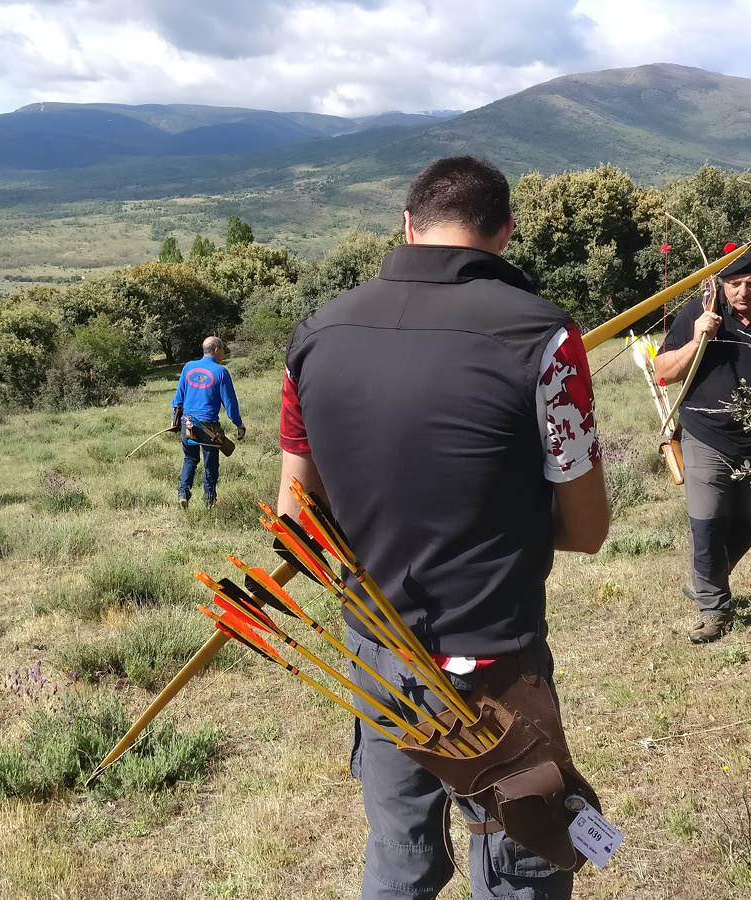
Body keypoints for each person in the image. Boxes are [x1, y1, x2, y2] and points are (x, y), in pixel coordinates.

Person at [277, 156, 609, 900]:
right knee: (522, 858)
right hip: (496, 658)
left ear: (408, 225)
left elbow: (296, 520)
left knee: (399, 857)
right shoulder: (544, 336)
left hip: (375, 648)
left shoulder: (315, 335)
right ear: (506, 232)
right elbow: (586, 528)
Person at [653, 247, 751, 644]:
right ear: (721, 283)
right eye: (734, 283)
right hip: (705, 433)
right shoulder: (700, 311)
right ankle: (713, 611)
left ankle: (707, 577)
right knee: (707, 522)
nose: (743, 292)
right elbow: (663, 373)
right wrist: (697, 339)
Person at [172, 335, 245, 509]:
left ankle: (183, 493)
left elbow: (178, 399)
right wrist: (238, 424)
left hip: (187, 423)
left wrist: (175, 421)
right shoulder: (221, 372)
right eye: (223, 349)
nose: (224, 353)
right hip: (209, 427)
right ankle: (209, 502)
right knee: (211, 465)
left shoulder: (188, 367)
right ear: (217, 350)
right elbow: (230, 402)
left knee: (190, 458)